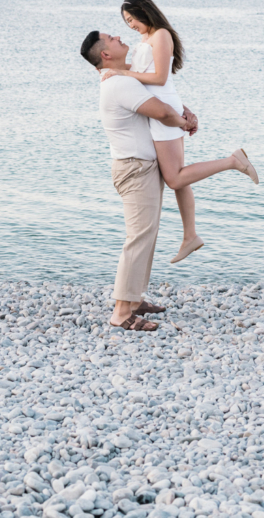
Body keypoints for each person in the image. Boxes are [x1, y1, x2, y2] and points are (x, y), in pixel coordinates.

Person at [99, 0, 259, 264]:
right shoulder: (145, 39)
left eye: (131, 19)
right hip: (160, 108)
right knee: (180, 178)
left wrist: (123, 73)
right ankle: (190, 236)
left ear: (143, 11)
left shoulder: (162, 35)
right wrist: (111, 70)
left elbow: (160, 78)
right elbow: (144, 76)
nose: (130, 26)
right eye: (126, 22)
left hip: (162, 111)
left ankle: (234, 161)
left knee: (174, 178)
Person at [80, 30, 195, 331]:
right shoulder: (119, 84)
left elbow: (162, 94)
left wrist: (184, 112)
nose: (118, 36)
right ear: (105, 54)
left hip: (140, 166)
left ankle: (134, 300)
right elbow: (161, 111)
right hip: (135, 168)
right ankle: (121, 313)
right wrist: (183, 122)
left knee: (147, 235)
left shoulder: (123, 78)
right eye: (111, 38)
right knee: (138, 238)